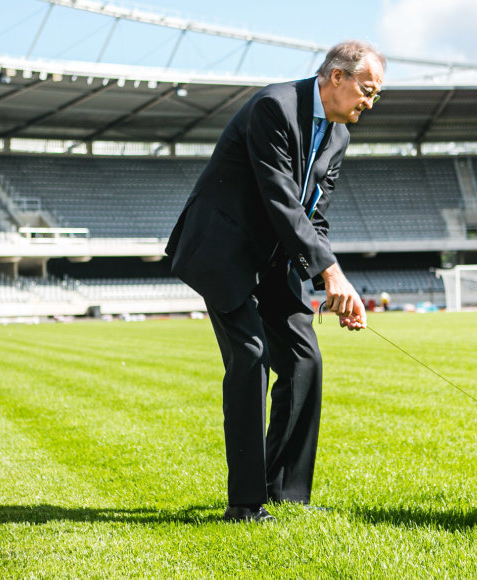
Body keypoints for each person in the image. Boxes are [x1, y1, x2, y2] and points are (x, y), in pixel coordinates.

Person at [165, 40, 385, 523]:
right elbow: (280, 198)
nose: (370, 103)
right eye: (366, 91)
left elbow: (314, 216)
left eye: (375, 94)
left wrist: (329, 280)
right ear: (336, 78)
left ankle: (287, 492)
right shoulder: (274, 106)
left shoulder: (339, 137)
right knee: (250, 357)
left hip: (274, 260)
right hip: (223, 251)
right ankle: (245, 503)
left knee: (305, 359)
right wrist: (332, 273)